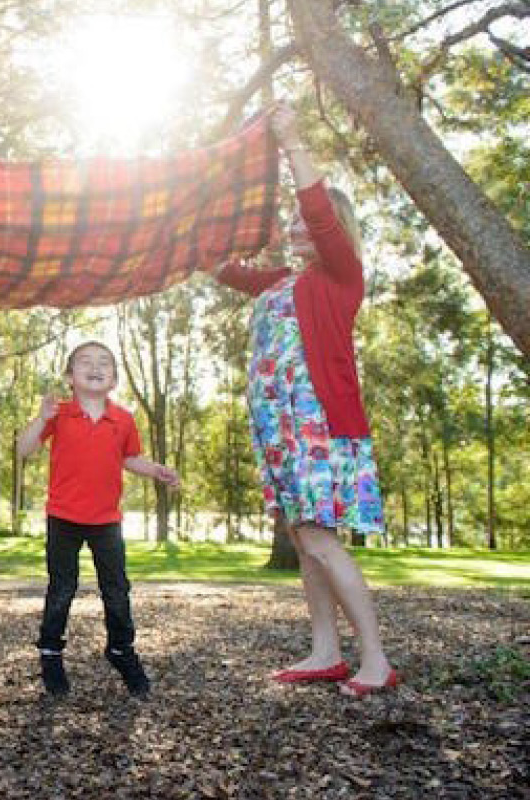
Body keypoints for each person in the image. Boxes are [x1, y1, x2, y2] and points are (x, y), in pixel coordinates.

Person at [208, 104, 398, 698]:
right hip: (280, 428)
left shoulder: (342, 274)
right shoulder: (280, 281)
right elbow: (221, 268)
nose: (295, 227)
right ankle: (325, 650)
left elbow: (316, 207)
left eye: (304, 222)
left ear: (331, 228)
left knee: (319, 536)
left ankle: (376, 660)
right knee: (300, 536)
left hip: (318, 425)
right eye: (289, 222)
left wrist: (290, 141)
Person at [16, 341, 180, 697]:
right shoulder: (58, 413)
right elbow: (24, 449)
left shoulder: (123, 418)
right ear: (70, 376)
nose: (95, 367)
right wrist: (40, 420)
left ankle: (121, 649)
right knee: (62, 588)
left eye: (104, 363)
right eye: (85, 362)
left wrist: (156, 470)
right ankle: (51, 652)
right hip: (63, 517)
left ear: (114, 378)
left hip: (106, 521)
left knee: (117, 589)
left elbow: (130, 458)